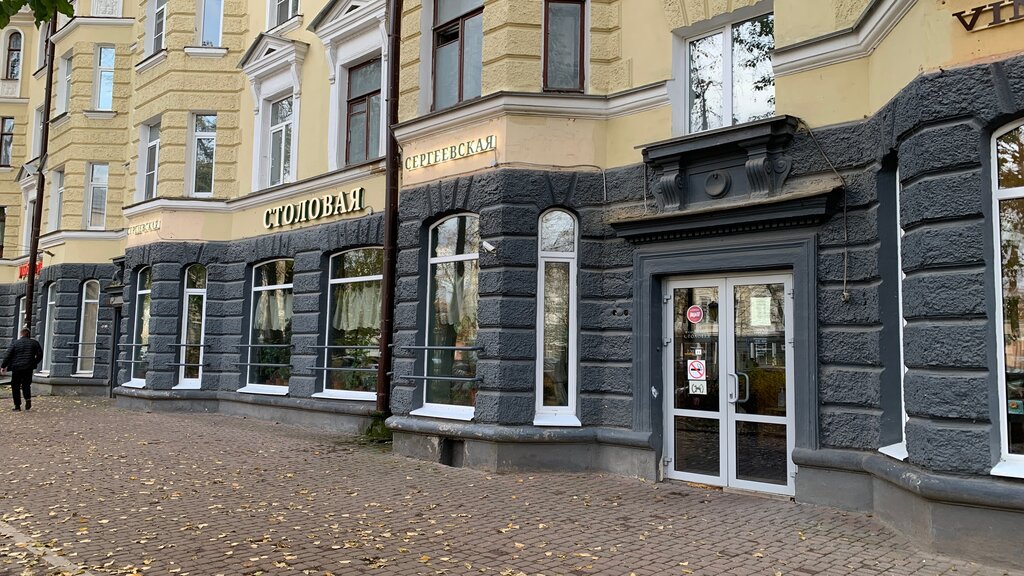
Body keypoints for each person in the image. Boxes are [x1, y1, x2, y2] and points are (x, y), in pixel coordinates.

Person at [1, 329, 43, 411]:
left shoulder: (15, 343)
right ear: (28, 334)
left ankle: (17, 406)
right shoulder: (34, 343)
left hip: (16, 368)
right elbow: (40, 354)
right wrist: (34, 363)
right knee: (26, 384)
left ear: (21, 334)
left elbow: (8, 355)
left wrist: (3, 366)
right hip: (28, 367)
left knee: (15, 386)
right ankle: (27, 399)